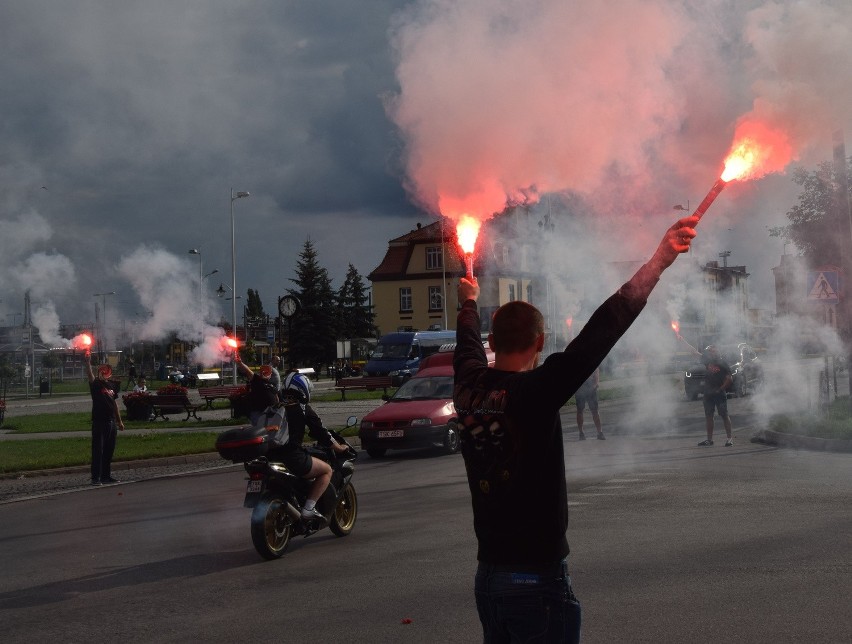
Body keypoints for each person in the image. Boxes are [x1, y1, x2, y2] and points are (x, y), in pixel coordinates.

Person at [453, 215, 698, 643]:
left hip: (488, 578)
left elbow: (466, 347)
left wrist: (469, 304)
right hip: (536, 581)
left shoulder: (468, 387)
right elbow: (604, 328)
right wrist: (658, 261)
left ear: (493, 343)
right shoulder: (536, 391)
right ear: (541, 342)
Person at [280, 370, 351, 520]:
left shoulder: (275, 406)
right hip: (292, 457)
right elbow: (322, 433)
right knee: (326, 471)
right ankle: (308, 509)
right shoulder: (302, 408)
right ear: (303, 389)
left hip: (270, 456)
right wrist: (339, 447)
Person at [84, 353, 125, 485]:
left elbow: (114, 404)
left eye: (106, 370)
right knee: (98, 450)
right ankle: (95, 477)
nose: (104, 372)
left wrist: (119, 421)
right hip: (99, 421)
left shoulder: (112, 386)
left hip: (111, 421)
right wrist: (88, 362)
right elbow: (90, 375)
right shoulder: (96, 384)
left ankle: (106, 476)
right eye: (102, 370)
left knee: (109, 450)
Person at [695, 345, 734, 447]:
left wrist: (720, 389)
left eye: (713, 352)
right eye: (710, 352)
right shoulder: (708, 361)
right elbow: (694, 352)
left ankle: (729, 439)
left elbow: (729, 379)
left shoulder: (723, 364)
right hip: (708, 393)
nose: (711, 353)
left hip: (719, 393)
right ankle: (709, 440)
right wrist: (681, 340)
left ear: (718, 352)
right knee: (709, 416)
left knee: (724, 415)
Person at [234, 355, 279, 426]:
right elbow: (248, 370)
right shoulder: (257, 380)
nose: (265, 373)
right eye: (263, 371)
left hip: (270, 413)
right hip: (258, 413)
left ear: (270, 374)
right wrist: (240, 363)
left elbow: (276, 398)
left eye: (267, 371)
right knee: (259, 432)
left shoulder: (271, 384)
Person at [575, 367, 604, 440]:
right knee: (580, 411)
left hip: (591, 389)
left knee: (595, 411)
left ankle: (599, 432)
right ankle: (581, 433)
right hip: (580, 390)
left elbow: (596, 372)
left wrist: (595, 385)